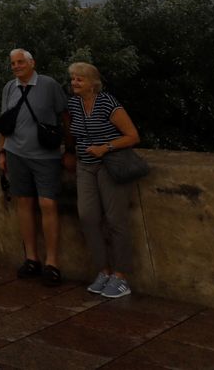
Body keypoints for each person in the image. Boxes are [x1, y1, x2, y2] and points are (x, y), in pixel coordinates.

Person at [67, 62, 141, 299]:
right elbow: (72, 133)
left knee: (115, 219)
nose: (74, 83)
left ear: (92, 83)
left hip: (109, 163)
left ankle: (121, 276)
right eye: (73, 79)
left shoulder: (107, 102)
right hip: (84, 165)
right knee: (87, 216)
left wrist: (105, 147)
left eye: (79, 79)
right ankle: (103, 270)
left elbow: (132, 136)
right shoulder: (74, 105)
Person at [0, 48, 71, 285]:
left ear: (31, 63)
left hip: (45, 155)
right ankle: (31, 258)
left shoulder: (48, 85)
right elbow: (4, 122)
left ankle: (52, 262)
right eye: (13, 63)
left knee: (48, 203)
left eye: (20, 62)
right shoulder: (9, 88)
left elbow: (65, 117)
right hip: (15, 152)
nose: (16, 66)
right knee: (24, 203)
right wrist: (1, 151)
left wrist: (69, 150)